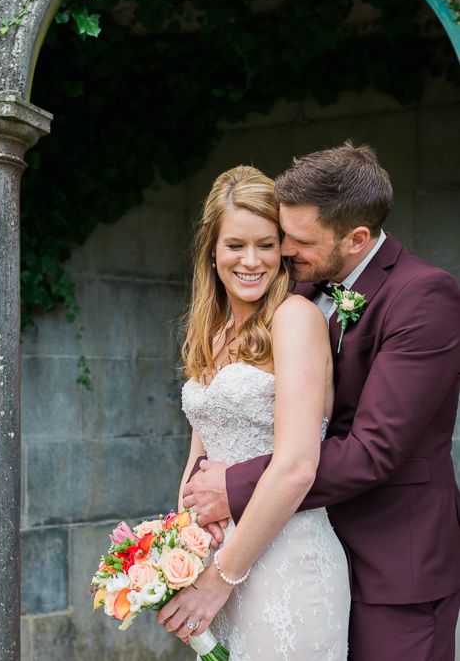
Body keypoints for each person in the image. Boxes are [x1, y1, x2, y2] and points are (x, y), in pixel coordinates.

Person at [183, 142, 460, 660]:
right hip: (295, 542)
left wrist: (234, 484)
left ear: (356, 239)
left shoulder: (425, 296)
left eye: (298, 239)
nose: (284, 250)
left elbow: (373, 450)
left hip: (393, 564)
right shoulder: (304, 292)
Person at [157, 165, 350, 659]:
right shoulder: (212, 331)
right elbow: (200, 453)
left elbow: (296, 468)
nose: (251, 261)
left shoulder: (296, 320)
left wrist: (221, 578)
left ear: (284, 249)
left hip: (284, 560)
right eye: (235, 245)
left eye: (266, 244)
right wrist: (179, 550)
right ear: (212, 250)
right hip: (216, 560)